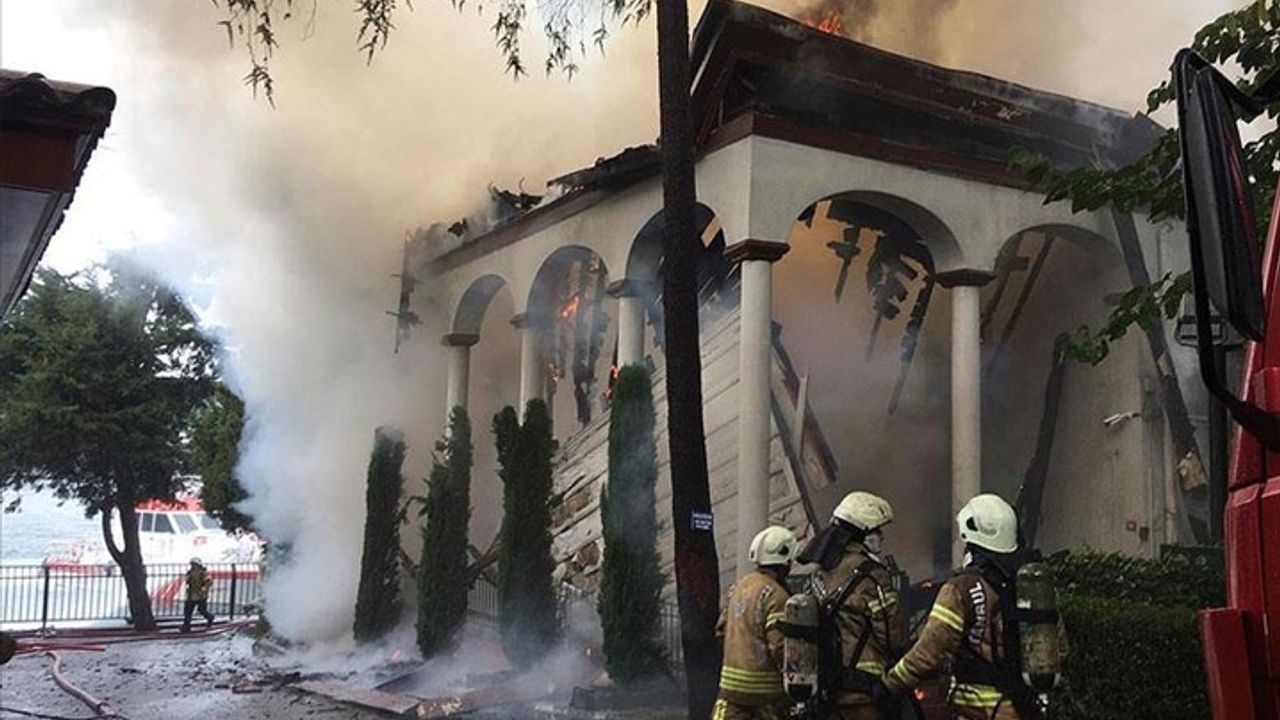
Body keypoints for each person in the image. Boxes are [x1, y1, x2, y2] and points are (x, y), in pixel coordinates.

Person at [879, 494, 1042, 719]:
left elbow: (930, 651)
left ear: (971, 540)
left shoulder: (962, 588)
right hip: (1024, 707)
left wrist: (890, 685)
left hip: (981, 711)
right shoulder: (1031, 585)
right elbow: (1059, 648)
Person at [798, 491, 905, 720]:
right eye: (876, 530)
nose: (881, 536)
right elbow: (893, 637)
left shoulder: (816, 577)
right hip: (864, 696)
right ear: (862, 534)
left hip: (825, 696)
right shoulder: (873, 575)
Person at [713, 525, 799, 720]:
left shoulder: (738, 587)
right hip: (765, 693)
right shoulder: (777, 595)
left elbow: (720, 631)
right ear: (784, 561)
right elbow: (779, 646)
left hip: (730, 689)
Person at [181, 557, 215, 633]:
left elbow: (209, 581)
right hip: (191, 594)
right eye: (192, 564)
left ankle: (210, 617)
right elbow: (187, 581)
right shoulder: (190, 572)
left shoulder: (203, 572)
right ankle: (186, 626)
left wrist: (204, 588)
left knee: (202, 610)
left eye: (194, 564)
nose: (193, 566)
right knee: (188, 611)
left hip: (200, 595)